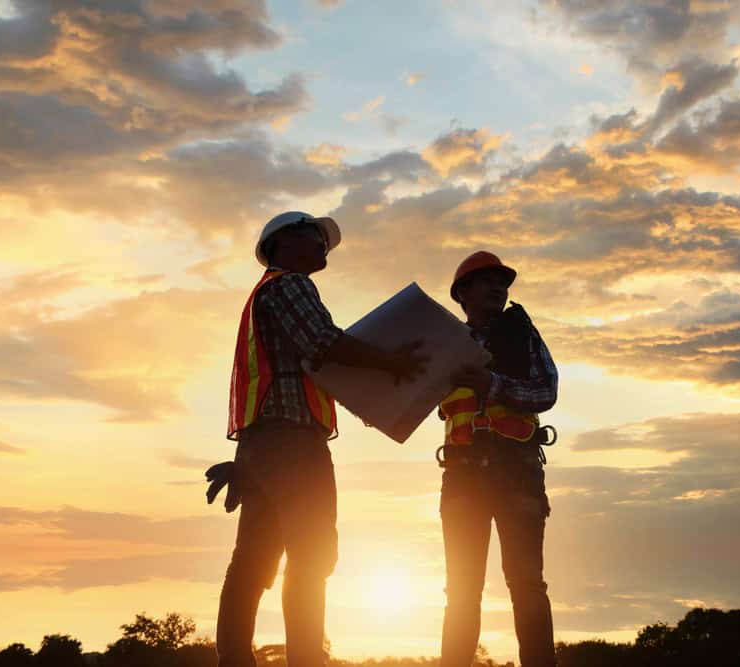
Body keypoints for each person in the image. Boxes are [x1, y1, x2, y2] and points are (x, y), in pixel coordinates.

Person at [215, 211, 427, 667]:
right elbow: (325, 343)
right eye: (316, 238)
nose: (323, 248)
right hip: (292, 448)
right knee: (311, 558)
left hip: (263, 447)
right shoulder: (289, 285)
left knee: (252, 563)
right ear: (286, 240)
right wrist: (392, 363)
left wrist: (247, 457)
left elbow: (305, 370)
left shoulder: (263, 296)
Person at [437, 251, 559, 667]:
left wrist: (494, 384)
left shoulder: (521, 332)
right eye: (486, 280)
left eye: (502, 281)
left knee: (526, 585)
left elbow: (547, 390)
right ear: (462, 293)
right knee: (462, 591)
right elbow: (411, 398)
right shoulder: (443, 344)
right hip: (462, 477)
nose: (499, 287)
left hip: (517, 474)